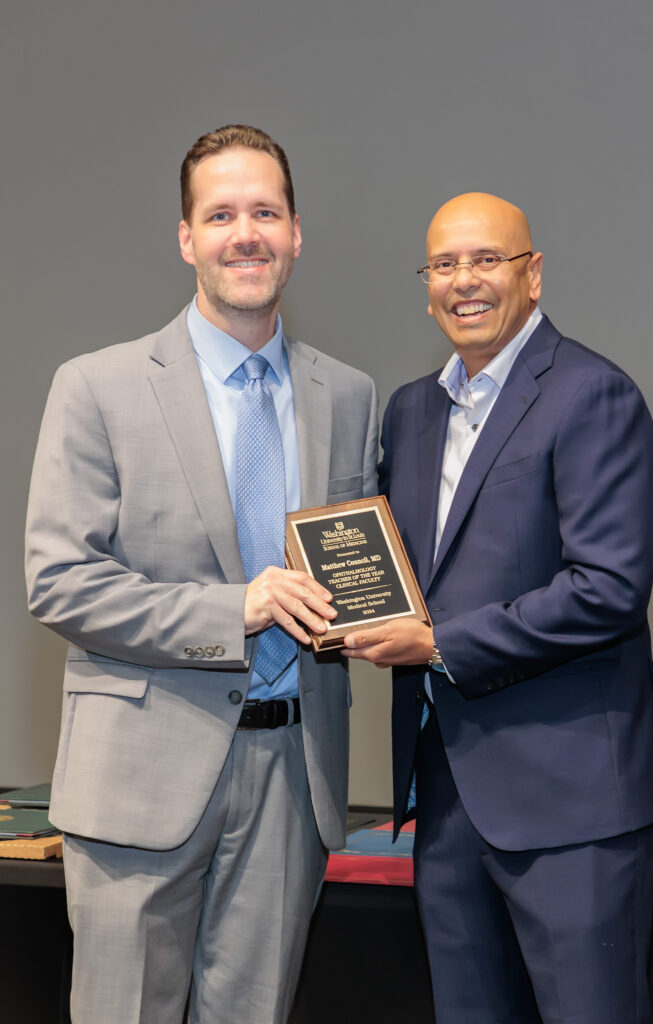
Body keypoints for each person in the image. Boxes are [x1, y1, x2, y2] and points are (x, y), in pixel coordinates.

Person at [25, 123, 377, 1024]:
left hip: (291, 779)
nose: (244, 233)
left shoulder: (348, 395)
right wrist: (238, 607)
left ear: (297, 233)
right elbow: (59, 580)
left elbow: (354, 563)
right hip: (142, 781)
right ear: (187, 239)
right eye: (220, 214)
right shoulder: (96, 386)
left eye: (265, 211)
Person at [343, 192, 653, 1024]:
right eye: (445, 264)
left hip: (572, 804)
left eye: (486, 260)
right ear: (426, 287)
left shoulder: (593, 394)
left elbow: (605, 590)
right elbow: (408, 575)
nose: (464, 281)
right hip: (448, 793)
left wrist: (434, 642)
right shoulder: (411, 411)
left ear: (532, 275)